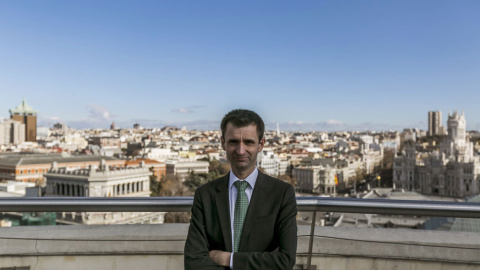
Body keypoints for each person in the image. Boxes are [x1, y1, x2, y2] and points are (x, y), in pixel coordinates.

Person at [184, 109, 297, 270]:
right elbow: (193, 261)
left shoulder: (282, 193)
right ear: (223, 143)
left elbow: (285, 260)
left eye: (249, 142)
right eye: (233, 142)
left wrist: (229, 259)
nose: (241, 150)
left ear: (261, 144)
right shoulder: (205, 195)